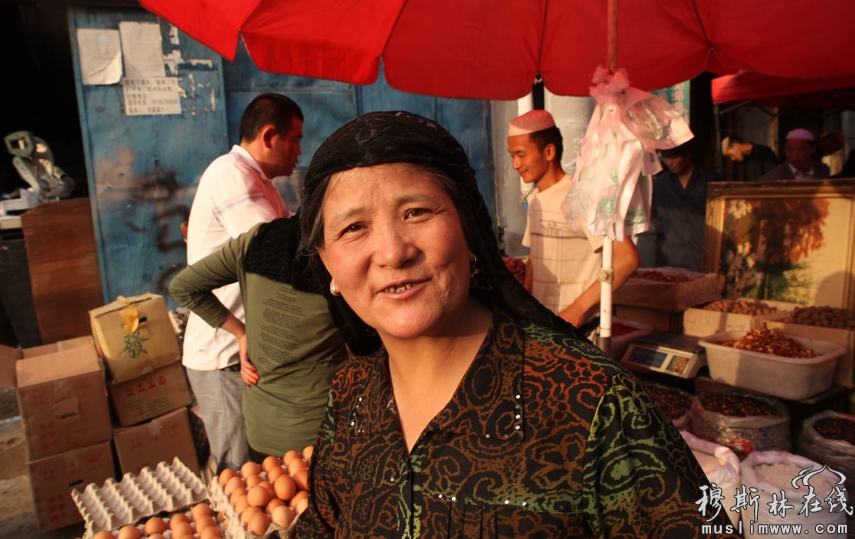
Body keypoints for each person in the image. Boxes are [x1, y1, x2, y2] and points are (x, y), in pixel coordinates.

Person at [296, 111, 737, 538]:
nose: (393, 252)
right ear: (326, 264)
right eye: (353, 227)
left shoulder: (592, 404)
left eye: (416, 212)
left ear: (469, 227)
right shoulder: (350, 397)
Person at [182, 92, 303, 472]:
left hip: (245, 350)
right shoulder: (231, 176)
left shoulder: (259, 180)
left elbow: (293, 233)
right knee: (237, 474)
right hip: (223, 351)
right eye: (295, 139)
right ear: (269, 136)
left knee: (257, 470)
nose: (300, 150)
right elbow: (279, 253)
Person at [170, 215, 351, 462]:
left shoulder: (254, 241)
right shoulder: (339, 258)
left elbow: (183, 286)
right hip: (321, 434)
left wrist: (241, 333)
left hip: (261, 429)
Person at [506, 110, 639, 330]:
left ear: (549, 151)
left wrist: (577, 310)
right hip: (544, 328)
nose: (515, 165)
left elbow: (627, 259)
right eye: (512, 156)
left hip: (580, 331)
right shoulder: (535, 201)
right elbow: (535, 259)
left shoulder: (582, 196)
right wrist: (525, 309)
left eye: (521, 155)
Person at [652, 141, 722, 271]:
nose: (669, 162)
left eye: (673, 157)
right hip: (674, 259)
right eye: (665, 157)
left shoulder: (711, 181)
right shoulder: (661, 185)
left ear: (688, 155)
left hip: (707, 256)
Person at [760, 128, 830, 181]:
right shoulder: (772, 178)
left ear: (812, 150)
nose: (794, 155)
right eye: (790, 150)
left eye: (800, 150)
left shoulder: (822, 170)